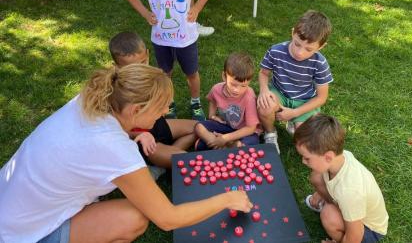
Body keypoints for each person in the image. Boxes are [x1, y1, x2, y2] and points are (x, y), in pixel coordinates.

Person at [0, 64, 253, 242]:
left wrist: (137, 132)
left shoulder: (92, 98)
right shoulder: (115, 148)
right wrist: (227, 199)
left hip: (10, 198)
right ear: (135, 110)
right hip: (20, 233)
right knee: (135, 219)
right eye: (161, 108)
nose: (165, 112)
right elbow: (168, 218)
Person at [109, 31, 197, 173]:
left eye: (143, 62)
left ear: (148, 54)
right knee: (186, 161)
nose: (141, 69)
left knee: (199, 128)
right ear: (117, 66)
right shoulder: (115, 91)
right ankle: (159, 162)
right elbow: (112, 129)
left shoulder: (152, 77)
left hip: (155, 124)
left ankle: (161, 166)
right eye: (133, 67)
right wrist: (138, 135)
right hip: (143, 141)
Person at [294, 114, 389, 242]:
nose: (303, 161)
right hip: (353, 209)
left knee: (328, 215)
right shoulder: (341, 157)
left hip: (368, 229)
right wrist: (320, 193)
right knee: (316, 176)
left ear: (328, 157)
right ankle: (335, 207)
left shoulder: (350, 192)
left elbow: (355, 235)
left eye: (307, 158)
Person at [257, 10, 333, 153]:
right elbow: (263, 73)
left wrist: (294, 113)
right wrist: (264, 90)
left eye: (309, 49)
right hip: (279, 93)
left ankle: (295, 122)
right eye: (297, 44)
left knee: (306, 145)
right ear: (293, 33)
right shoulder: (276, 51)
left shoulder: (320, 63)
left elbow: (322, 97)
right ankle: (270, 133)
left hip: (304, 102)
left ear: (321, 46)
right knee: (264, 106)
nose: (300, 52)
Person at [194, 52, 260, 150]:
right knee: (198, 127)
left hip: (244, 131)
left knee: (251, 142)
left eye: (243, 86)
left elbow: (251, 128)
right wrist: (212, 115)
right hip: (226, 126)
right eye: (233, 84)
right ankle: (220, 144)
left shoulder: (249, 96)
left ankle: (221, 144)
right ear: (224, 76)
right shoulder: (216, 89)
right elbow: (212, 100)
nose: (237, 90)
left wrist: (225, 138)